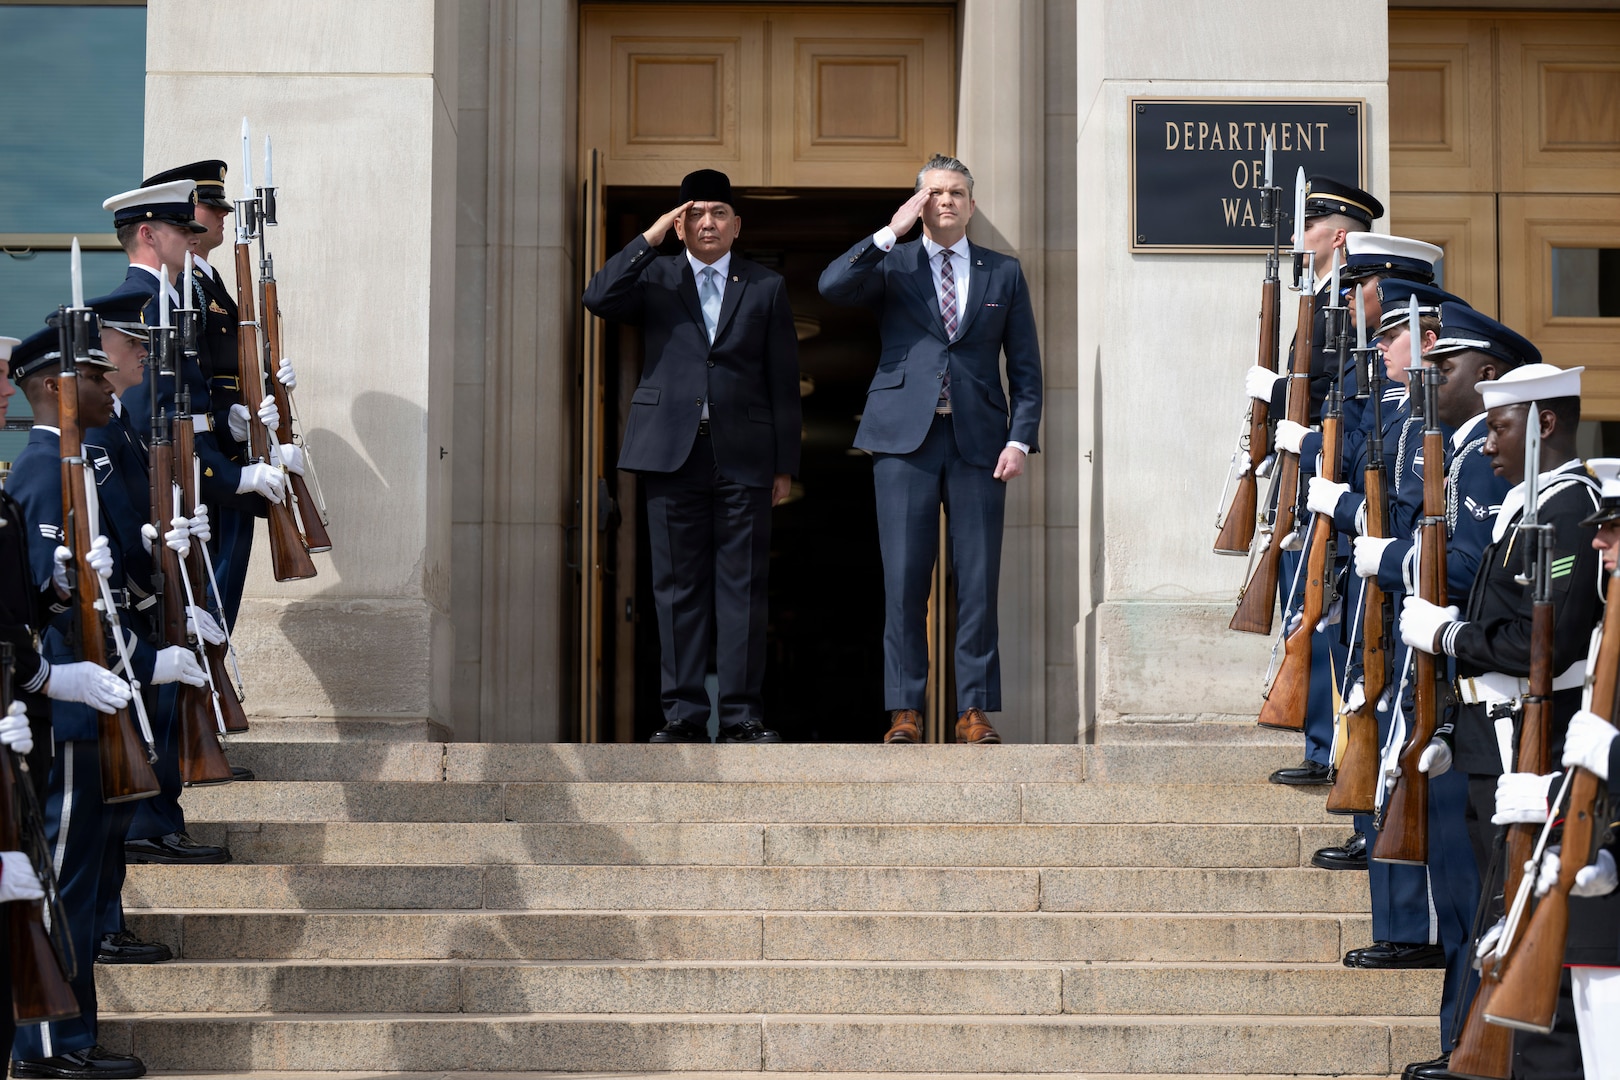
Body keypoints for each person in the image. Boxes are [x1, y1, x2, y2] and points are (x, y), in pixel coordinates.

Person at [4, 325, 204, 1080]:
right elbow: (32, 619)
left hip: (105, 702)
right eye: (94, 377)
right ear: (56, 386)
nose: (112, 386)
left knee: (83, 891)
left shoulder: (77, 468)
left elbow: (101, 603)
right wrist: (65, 683)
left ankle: (75, 1037)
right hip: (71, 714)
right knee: (61, 882)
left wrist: (152, 659)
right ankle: (48, 1046)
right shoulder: (38, 474)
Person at [1402, 360, 1605, 1080]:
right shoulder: (1528, 509)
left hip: (1532, 744)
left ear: (1544, 423)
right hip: (1493, 740)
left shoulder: (1572, 513)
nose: (1486, 443)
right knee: (1497, 918)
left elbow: (1546, 643)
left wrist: (1449, 635)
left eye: (1499, 426)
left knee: (1527, 927)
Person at [819, 153, 1041, 744]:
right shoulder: (894, 263)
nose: (946, 201)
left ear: (972, 204)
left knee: (977, 578)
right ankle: (905, 710)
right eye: (935, 193)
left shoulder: (1003, 272)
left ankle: (973, 710)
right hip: (902, 441)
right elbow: (832, 285)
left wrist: (1020, 438)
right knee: (905, 579)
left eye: (957, 193)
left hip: (980, 444)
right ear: (918, 202)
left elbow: (1025, 368)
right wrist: (890, 232)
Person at [583, 169, 800, 743]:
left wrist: (785, 465)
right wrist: (653, 234)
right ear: (682, 223)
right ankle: (682, 715)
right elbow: (597, 296)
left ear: (736, 225)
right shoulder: (655, 276)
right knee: (676, 588)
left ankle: (740, 716)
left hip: (746, 456)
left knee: (742, 587)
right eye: (696, 213)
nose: (708, 222)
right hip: (670, 454)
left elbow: (783, 379)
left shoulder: (765, 286)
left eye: (719, 213)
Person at [1248, 176, 1381, 787]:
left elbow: (1345, 396)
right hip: (1304, 470)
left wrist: (1274, 392)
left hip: (1331, 472)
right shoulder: (1320, 294)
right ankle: (1318, 741)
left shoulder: (1348, 303)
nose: (1301, 232)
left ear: (1340, 233)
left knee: (1324, 607)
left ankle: (1329, 749)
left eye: (1312, 221)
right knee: (1303, 603)